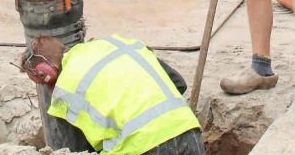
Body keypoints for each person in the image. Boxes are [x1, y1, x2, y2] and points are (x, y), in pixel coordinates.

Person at [22, 34, 205, 155]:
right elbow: (179, 83)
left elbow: (78, 151)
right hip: (189, 132)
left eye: (42, 84)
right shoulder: (119, 44)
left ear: (46, 74)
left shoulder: (65, 91)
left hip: (142, 148)